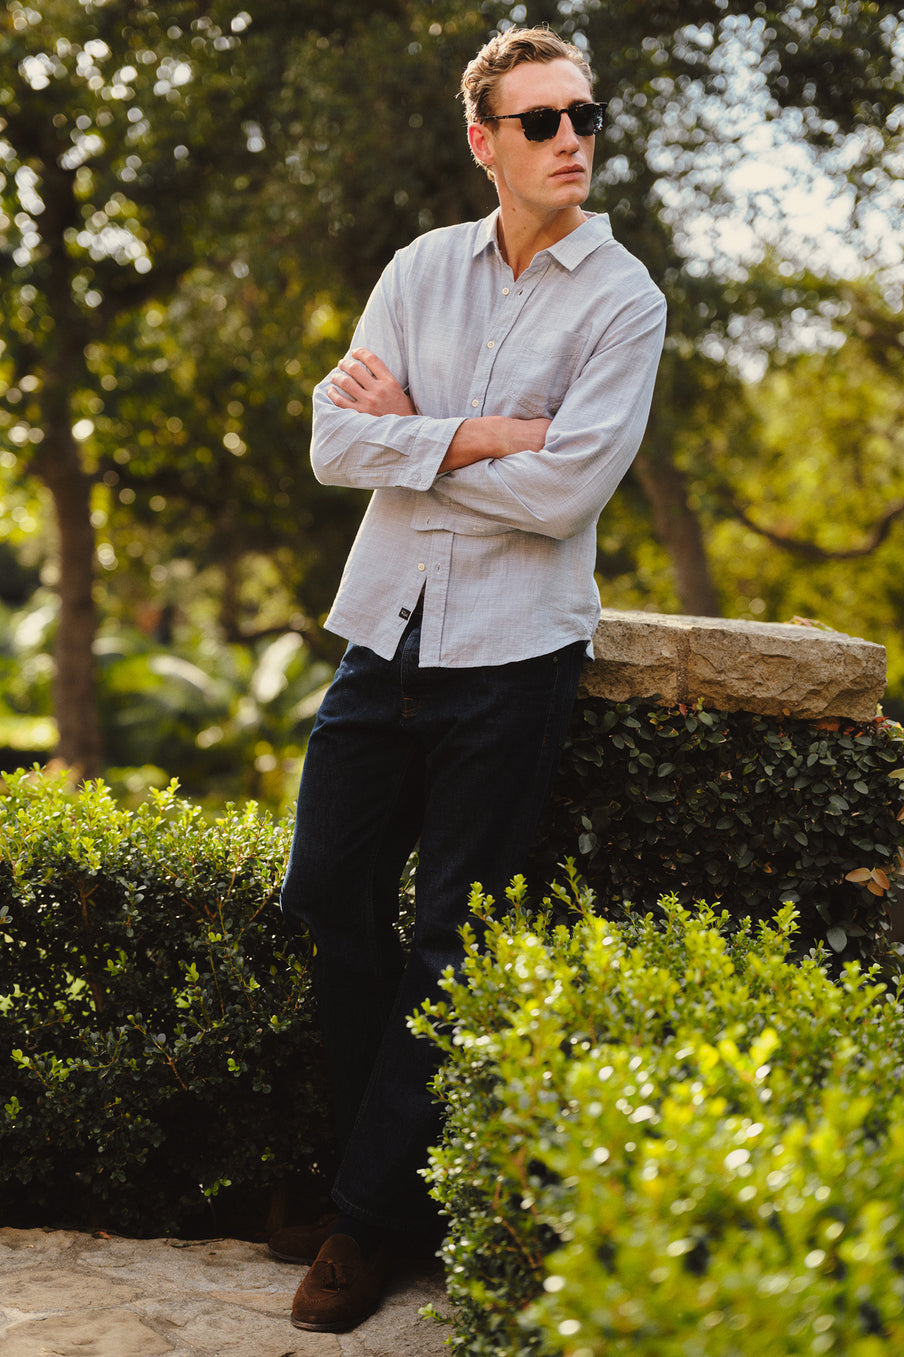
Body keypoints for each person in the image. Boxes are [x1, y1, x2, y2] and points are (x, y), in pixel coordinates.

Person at [276, 24, 666, 1334]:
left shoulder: (626, 299)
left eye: (585, 117)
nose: (573, 141)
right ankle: (371, 1183)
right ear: (482, 139)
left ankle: (365, 1224)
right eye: (543, 120)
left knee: (452, 943)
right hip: (386, 629)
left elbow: (564, 496)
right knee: (326, 893)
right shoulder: (420, 268)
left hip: (514, 657)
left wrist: (416, 439)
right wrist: (485, 433)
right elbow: (335, 440)